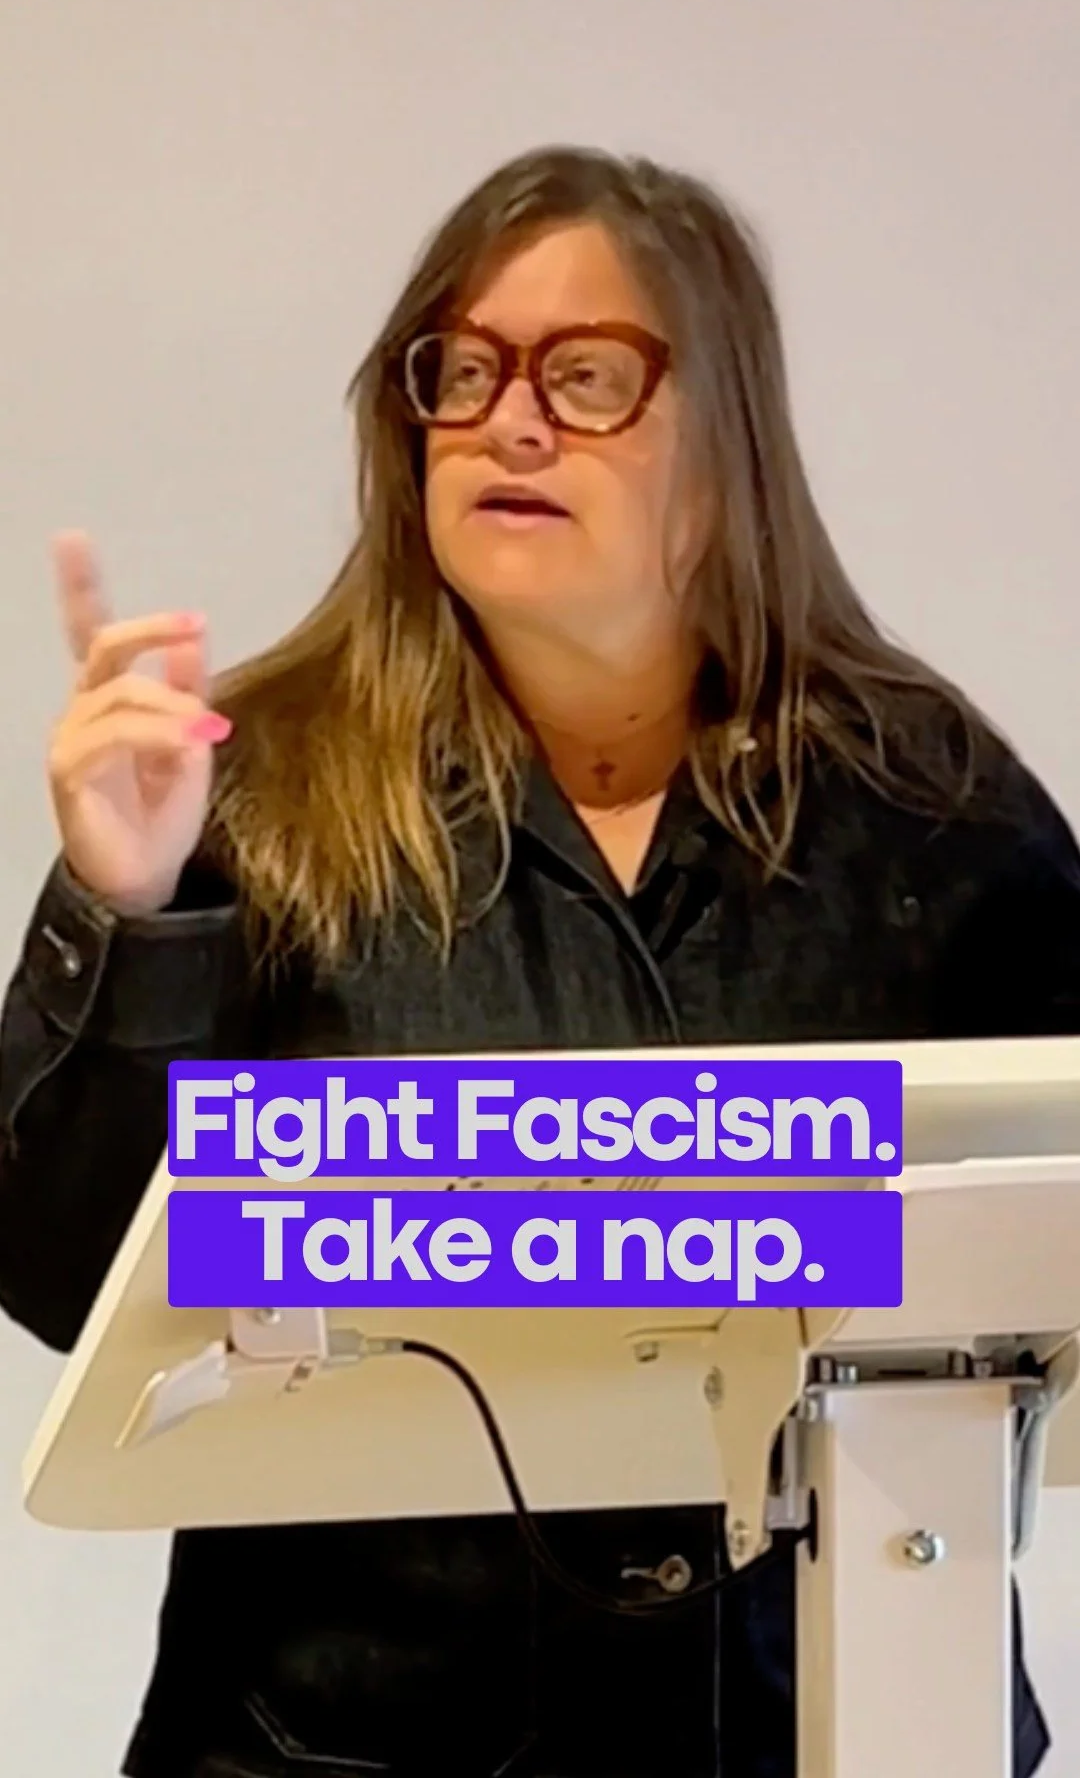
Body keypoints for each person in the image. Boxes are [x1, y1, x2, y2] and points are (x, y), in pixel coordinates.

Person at [0, 144, 1072, 1778]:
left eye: (585, 375)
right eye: (464, 372)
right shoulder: (253, 787)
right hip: (340, 1749)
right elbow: (59, 1282)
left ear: (725, 437)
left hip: (838, 1726)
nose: (508, 422)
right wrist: (123, 910)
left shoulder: (928, 802)